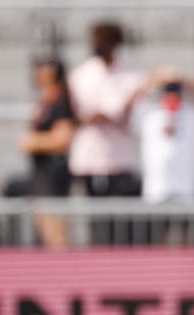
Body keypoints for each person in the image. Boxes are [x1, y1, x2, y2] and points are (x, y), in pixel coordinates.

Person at [67, 21, 145, 220]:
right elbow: (75, 114)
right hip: (90, 157)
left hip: (120, 158)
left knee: (121, 220)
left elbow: (133, 114)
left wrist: (111, 115)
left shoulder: (131, 75)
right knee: (95, 217)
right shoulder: (81, 74)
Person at [21, 58, 76, 249]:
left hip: (52, 172)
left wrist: (33, 142)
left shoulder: (60, 101)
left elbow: (63, 138)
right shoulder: (46, 100)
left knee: (55, 232)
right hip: (41, 171)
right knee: (44, 227)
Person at [138, 68, 194, 204]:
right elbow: (139, 93)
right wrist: (161, 76)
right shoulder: (150, 114)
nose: (172, 96)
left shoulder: (189, 113)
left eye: (175, 92)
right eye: (168, 92)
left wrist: (180, 77)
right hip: (156, 190)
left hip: (185, 189)